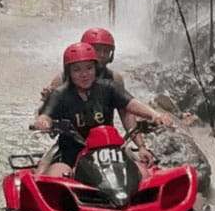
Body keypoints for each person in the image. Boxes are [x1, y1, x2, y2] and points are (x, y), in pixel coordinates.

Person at [33, 42, 173, 177]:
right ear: (68, 72)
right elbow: (46, 114)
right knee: (54, 177)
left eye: (89, 68)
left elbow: (131, 103)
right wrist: (44, 121)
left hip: (110, 148)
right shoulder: (59, 93)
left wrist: (155, 115)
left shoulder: (109, 87)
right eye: (77, 70)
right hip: (72, 151)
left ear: (96, 68)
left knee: (142, 174)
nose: (84, 74)